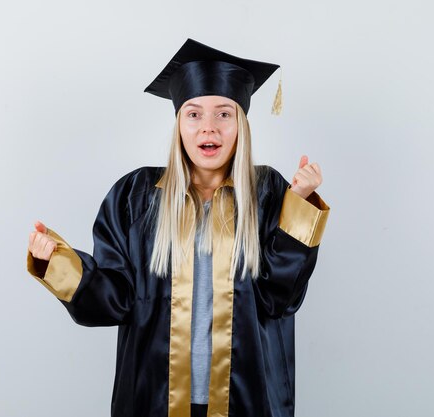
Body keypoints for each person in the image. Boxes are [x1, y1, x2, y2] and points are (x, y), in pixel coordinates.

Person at [26, 38, 330, 417]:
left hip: (248, 397)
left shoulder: (267, 192)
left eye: (224, 114)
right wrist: (58, 263)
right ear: (178, 124)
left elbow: (280, 298)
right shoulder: (134, 196)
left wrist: (299, 204)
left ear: (241, 124)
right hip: (154, 397)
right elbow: (115, 300)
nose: (209, 128)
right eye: (193, 114)